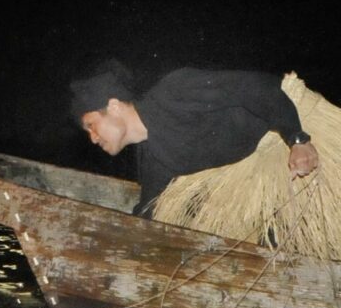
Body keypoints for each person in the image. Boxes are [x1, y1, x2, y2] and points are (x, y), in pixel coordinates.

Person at [70, 61, 320, 216]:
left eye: (91, 125)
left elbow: (256, 87)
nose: (92, 138)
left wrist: (297, 139)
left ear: (113, 107)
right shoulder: (154, 158)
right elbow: (149, 211)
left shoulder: (174, 93)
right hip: (262, 186)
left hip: (292, 133)